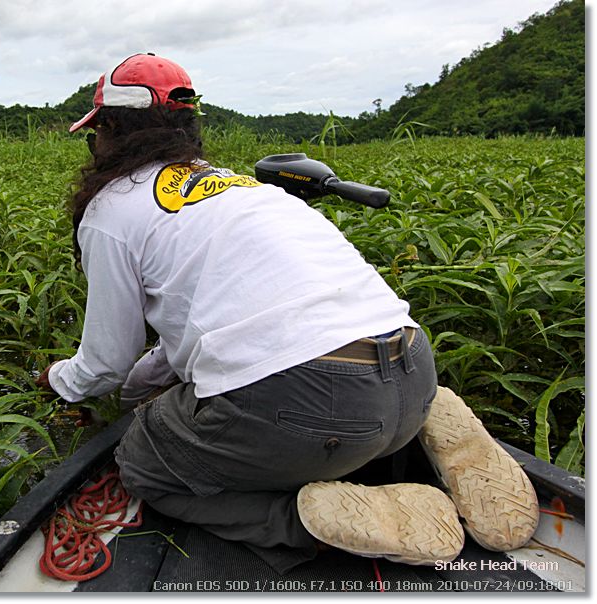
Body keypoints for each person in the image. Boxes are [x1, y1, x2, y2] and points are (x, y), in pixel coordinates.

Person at [36, 53, 538, 573]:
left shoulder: (113, 210)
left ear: (112, 128)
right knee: (348, 403)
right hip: (412, 367)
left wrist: (58, 381)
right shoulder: (240, 189)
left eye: (93, 132)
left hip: (313, 410)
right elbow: (195, 335)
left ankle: (307, 521)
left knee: (146, 465)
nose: (93, 143)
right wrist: (145, 387)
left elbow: (104, 364)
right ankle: (433, 422)